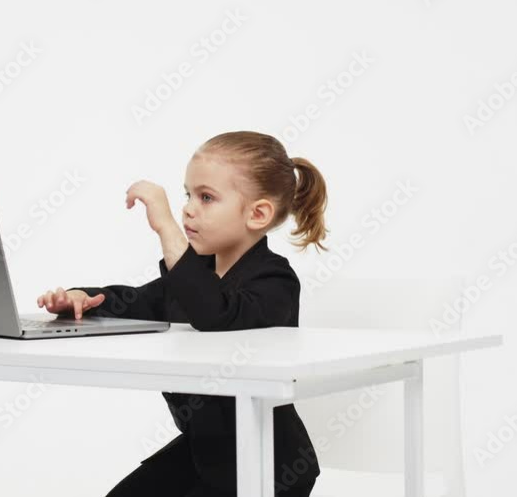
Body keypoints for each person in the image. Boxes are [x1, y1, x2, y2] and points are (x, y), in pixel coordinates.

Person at [37, 130, 330, 496]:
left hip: (269, 467)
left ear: (257, 214)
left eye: (206, 197)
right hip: (206, 454)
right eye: (187, 195)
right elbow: (136, 301)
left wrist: (165, 227)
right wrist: (84, 297)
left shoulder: (274, 282)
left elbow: (214, 313)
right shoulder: (195, 277)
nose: (189, 208)